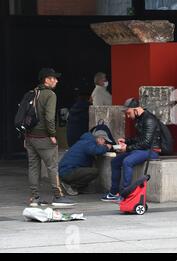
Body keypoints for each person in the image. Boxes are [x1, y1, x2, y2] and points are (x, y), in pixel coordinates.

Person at [25, 68, 76, 207]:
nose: (56, 80)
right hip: (44, 137)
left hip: (29, 137)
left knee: (33, 167)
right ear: (46, 80)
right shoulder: (50, 95)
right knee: (52, 166)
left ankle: (34, 198)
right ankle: (58, 196)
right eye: (54, 78)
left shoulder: (32, 93)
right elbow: (49, 118)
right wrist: (52, 135)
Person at [101, 98, 161, 202]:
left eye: (128, 113)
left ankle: (125, 194)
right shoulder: (139, 118)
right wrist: (126, 141)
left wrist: (127, 148)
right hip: (141, 149)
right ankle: (113, 193)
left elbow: (146, 142)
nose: (128, 116)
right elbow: (139, 138)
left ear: (136, 109)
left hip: (152, 151)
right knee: (115, 161)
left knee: (127, 161)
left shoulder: (149, 119)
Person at [59, 130, 112, 196]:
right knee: (94, 171)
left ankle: (77, 187)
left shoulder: (86, 141)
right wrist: (106, 147)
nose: (105, 142)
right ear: (100, 139)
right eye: (104, 140)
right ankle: (70, 185)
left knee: (88, 171)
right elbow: (96, 151)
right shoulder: (89, 143)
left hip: (66, 170)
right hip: (67, 171)